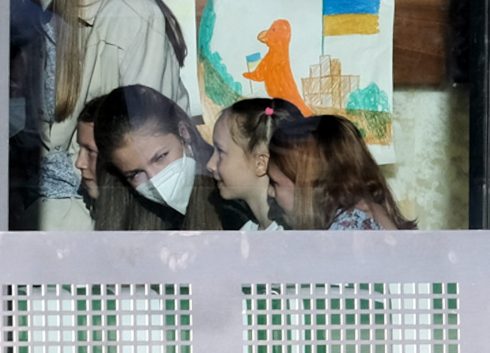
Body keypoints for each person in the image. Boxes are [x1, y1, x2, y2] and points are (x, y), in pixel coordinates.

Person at [15, 0, 190, 230]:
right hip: (49, 190)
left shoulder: (133, 17)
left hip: (110, 203)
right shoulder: (37, 15)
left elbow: (141, 151)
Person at [94, 84, 249, 230]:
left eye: (160, 157)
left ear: (183, 132)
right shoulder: (126, 215)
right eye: (135, 174)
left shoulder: (234, 199)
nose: (155, 180)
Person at [267, 115, 418, 230]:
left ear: (309, 186)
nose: (270, 192)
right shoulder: (366, 212)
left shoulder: (348, 230)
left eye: (274, 183)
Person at [206, 98, 304, 231]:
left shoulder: (288, 241)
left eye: (221, 152)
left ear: (260, 164)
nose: (210, 165)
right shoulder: (247, 232)